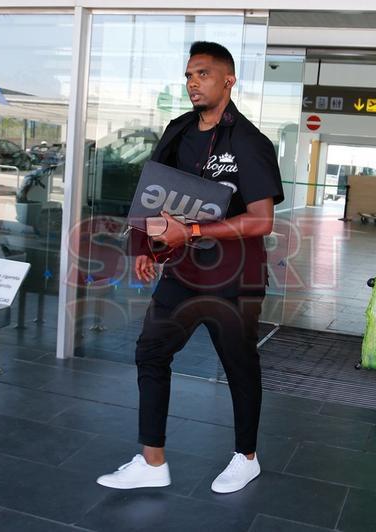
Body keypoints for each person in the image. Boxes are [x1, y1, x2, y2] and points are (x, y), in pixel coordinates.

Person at [96, 41, 284, 494]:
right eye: (188, 76)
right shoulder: (178, 130)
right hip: (182, 272)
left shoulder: (250, 143)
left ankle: (246, 458)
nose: (192, 83)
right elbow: (152, 190)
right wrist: (142, 245)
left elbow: (261, 220)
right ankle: (152, 462)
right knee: (151, 352)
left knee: (239, 366)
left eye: (202, 74)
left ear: (228, 80)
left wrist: (193, 233)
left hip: (235, 279)